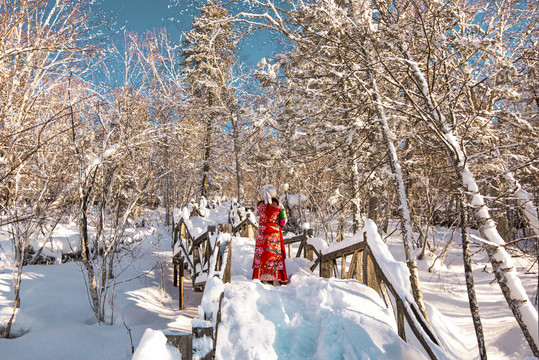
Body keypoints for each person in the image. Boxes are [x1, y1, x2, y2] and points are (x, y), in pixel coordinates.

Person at [252, 185, 289, 285]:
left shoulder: (260, 206)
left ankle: (262, 277)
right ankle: (276, 278)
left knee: (262, 255)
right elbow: (283, 221)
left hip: (262, 233)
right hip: (274, 233)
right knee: (274, 254)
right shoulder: (279, 206)